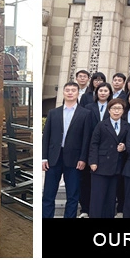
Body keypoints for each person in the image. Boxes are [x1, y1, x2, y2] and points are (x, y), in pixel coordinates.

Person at [42, 82, 92, 219]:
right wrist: (44, 157)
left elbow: (86, 139)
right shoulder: (53, 113)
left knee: (72, 196)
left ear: (77, 93)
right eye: (67, 90)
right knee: (48, 194)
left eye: (73, 90)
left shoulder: (85, 114)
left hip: (74, 159)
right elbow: (46, 136)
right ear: (63, 92)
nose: (70, 92)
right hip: (54, 158)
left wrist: (83, 158)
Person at [88, 97, 129, 219]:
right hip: (100, 165)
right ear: (109, 110)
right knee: (98, 197)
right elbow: (94, 143)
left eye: (119, 109)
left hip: (116, 166)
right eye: (114, 108)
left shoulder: (127, 126)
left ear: (123, 111)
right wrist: (93, 161)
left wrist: (124, 146)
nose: (116, 111)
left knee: (111, 197)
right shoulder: (101, 125)